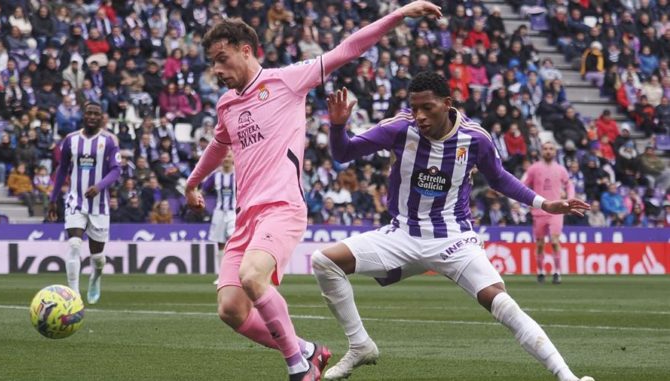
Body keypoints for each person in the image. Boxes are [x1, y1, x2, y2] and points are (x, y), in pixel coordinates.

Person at [183, 3, 443, 380]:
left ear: (245, 50)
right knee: (231, 309)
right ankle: (309, 350)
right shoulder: (226, 105)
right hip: (246, 217)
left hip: (281, 208)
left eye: (222, 60)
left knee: (254, 278)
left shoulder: (287, 81)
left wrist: (400, 14)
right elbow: (217, 146)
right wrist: (193, 182)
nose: (217, 71)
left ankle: (299, 367)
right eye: (212, 63)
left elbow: (347, 49)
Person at [312, 73, 593, 381]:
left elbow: (498, 178)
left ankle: (568, 377)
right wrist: (338, 126)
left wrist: (543, 204)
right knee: (324, 261)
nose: (419, 115)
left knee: (502, 303)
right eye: (414, 107)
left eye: (427, 107)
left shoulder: (475, 138)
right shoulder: (400, 129)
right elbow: (343, 153)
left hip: (454, 238)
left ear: (447, 104)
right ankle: (360, 345)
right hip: (404, 233)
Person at [48, 101, 121, 304]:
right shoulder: (70, 140)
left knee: (97, 257)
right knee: (73, 244)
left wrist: (99, 186)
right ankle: (73, 295)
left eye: (95, 113)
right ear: (83, 115)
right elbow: (62, 170)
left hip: (99, 205)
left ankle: (96, 277)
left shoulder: (109, 140)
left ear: (101, 117)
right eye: (88, 112)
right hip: (75, 201)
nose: (91, 116)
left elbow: (116, 170)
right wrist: (53, 199)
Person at [523, 141, 575, 284]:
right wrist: (522, 200)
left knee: (554, 240)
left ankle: (557, 272)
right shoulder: (534, 169)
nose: (548, 151)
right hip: (539, 210)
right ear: (541, 151)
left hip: (556, 211)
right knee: (539, 243)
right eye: (545, 149)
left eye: (551, 149)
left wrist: (570, 199)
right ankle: (540, 272)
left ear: (555, 152)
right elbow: (522, 185)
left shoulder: (561, 169)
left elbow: (569, 184)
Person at [208, 152, 237, 285]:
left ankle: (234, 275)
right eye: (224, 156)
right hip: (219, 212)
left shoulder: (239, 174)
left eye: (229, 156)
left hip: (234, 212)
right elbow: (203, 189)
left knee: (233, 242)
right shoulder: (215, 175)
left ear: (233, 159)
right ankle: (222, 276)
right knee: (220, 243)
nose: (226, 159)